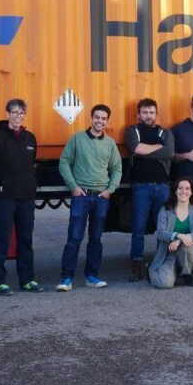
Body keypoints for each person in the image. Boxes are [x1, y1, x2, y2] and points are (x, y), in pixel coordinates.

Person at [56, 104, 122, 292]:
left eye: (103, 118)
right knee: (74, 237)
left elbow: (117, 168)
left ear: (107, 121)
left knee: (96, 238)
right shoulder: (77, 139)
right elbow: (64, 162)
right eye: (97, 117)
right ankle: (66, 278)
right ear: (91, 118)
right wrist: (73, 187)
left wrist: (110, 190)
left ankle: (91, 276)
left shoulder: (110, 143)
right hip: (81, 195)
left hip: (101, 197)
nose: (100, 121)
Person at [0, 98, 44, 296]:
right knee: (1, 239)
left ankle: (27, 279)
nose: (18, 116)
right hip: (5, 197)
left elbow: (31, 163)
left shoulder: (30, 138)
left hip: (26, 197)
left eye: (21, 113)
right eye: (15, 112)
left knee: (25, 239)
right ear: (7, 114)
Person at [123, 98, 174, 282]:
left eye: (151, 112)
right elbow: (135, 147)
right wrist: (157, 148)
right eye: (144, 112)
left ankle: (161, 262)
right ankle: (136, 265)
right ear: (138, 114)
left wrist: (145, 150)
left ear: (156, 114)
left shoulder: (165, 132)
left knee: (163, 228)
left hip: (162, 187)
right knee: (138, 227)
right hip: (141, 187)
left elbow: (169, 153)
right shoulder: (132, 130)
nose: (148, 116)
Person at [148, 177, 193, 289]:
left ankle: (187, 276)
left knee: (187, 246)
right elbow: (160, 233)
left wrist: (180, 239)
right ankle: (164, 272)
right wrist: (177, 235)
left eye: (187, 188)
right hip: (169, 252)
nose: (183, 191)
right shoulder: (165, 210)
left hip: (191, 251)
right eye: (180, 188)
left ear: (191, 192)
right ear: (175, 191)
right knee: (165, 283)